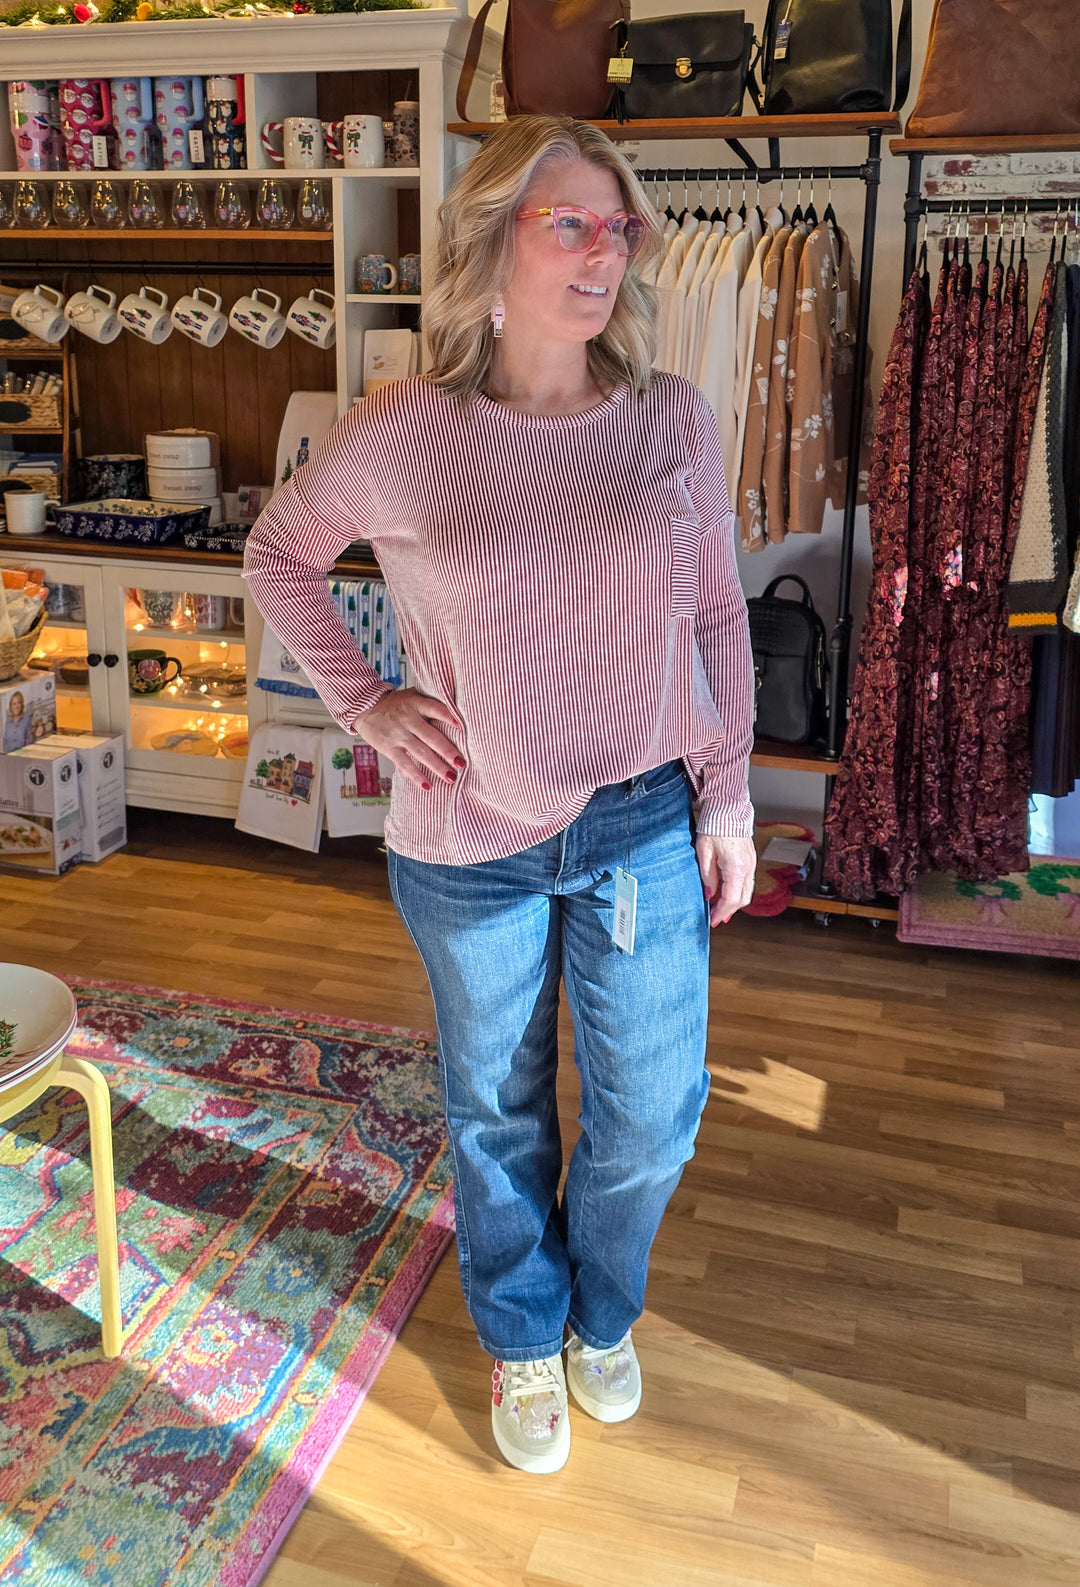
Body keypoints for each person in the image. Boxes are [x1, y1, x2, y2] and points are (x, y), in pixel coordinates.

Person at [242, 114, 757, 1475]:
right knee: (497, 1107)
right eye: (569, 222)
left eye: (619, 227)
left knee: (652, 1110)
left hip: (643, 814)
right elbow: (280, 555)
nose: (604, 252)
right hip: (468, 837)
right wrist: (367, 702)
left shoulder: (670, 422)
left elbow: (717, 608)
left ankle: (605, 1310)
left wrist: (729, 798)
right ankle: (528, 1335)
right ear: (492, 239)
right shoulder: (409, 430)